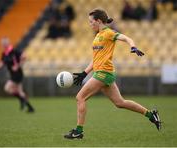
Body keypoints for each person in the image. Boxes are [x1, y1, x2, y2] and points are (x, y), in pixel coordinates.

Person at [64, 9, 161, 139]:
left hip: (103, 73)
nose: (90, 24)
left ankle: (78, 131)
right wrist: (84, 73)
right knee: (120, 102)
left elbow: (126, 38)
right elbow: (96, 59)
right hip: (103, 72)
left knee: (80, 97)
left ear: (98, 21)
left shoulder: (108, 33)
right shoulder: (97, 36)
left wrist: (133, 47)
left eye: (91, 21)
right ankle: (150, 114)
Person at [0, 37, 35, 113]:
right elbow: (1, 64)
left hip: (17, 74)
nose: (4, 44)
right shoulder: (4, 54)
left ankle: (23, 101)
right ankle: (29, 107)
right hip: (12, 75)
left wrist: (17, 65)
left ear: (8, 43)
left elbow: (24, 56)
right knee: (19, 91)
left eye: (5, 43)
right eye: (3, 43)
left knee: (7, 88)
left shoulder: (14, 51)